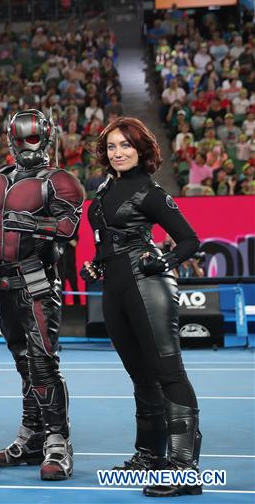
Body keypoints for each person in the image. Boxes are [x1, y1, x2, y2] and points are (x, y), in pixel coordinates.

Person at [0, 110, 85, 481]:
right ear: (11, 139)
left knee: (43, 362)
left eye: (35, 138)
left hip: (38, 281)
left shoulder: (60, 181)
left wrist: (31, 223)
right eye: (22, 138)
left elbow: (67, 227)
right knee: (21, 361)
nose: (29, 145)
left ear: (46, 140)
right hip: (2, 282)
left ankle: (58, 441)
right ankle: (32, 438)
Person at [84, 117, 202, 497]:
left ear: (141, 150)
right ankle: (151, 457)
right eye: (112, 146)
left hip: (147, 283)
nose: (118, 153)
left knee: (168, 371)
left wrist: (164, 261)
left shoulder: (150, 193)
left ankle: (186, 471)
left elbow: (188, 240)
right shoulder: (104, 190)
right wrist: (95, 265)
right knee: (141, 376)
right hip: (115, 286)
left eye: (126, 146)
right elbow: (109, 240)